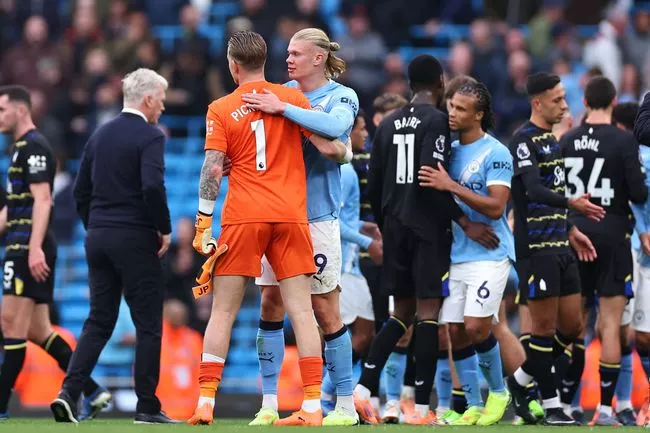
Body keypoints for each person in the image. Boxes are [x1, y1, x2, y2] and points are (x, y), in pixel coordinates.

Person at [187, 30, 345, 427]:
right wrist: (347, 152)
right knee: (302, 312)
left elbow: (212, 168)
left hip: (244, 216)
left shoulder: (221, 108)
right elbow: (331, 147)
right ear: (265, 61)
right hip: (291, 216)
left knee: (223, 311)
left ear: (233, 66)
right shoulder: (293, 100)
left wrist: (203, 223)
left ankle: (205, 402)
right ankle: (313, 406)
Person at [354, 54, 497, 425]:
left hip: (394, 227)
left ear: (409, 83)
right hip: (426, 230)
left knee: (401, 314)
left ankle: (363, 388)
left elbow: (375, 184)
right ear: (440, 82)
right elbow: (433, 181)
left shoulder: (388, 124)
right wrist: (464, 222)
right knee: (429, 314)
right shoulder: (437, 121)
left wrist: (386, 224)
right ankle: (420, 408)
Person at [240, 28, 363, 426]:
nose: (288, 59)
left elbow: (335, 129)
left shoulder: (341, 95)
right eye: (288, 53)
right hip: (277, 215)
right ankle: (269, 403)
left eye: (296, 53)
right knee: (270, 304)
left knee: (325, 310)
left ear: (318, 58)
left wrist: (285, 111)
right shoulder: (282, 93)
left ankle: (344, 406)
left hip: (318, 217)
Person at [51, 69, 174, 424]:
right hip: (135, 237)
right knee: (148, 324)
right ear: (147, 99)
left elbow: (80, 191)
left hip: (98, 237)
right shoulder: (150, 136)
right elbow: (152, 186)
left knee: (98, 321)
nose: (163, 107)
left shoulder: (98, 135)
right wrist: (163, 229)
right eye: (161, 99)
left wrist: (96, 226)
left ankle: (69, 392)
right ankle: (147, 406)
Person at [0, 85, 108, 422]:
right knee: (39, 331)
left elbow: (43, 200)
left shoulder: (34, 147)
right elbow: (14, 206)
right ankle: (93, 390)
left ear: (20, 109)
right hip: (24, 244)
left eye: (2, 109)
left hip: (26, 247)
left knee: (10, 325)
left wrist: (33, 248)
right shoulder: (19, 148)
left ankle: (1, 406)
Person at [506, 72, 604, 426]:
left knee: (573, 326)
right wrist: (572, 205)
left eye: (564, 98)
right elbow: (533, 190)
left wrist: (571, 229)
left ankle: (519, 381)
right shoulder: (522, 141)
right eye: (557, 99)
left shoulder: (551, 140)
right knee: (543, 330)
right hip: (536, 249)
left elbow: (552, 194)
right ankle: (551, 407)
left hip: (560, 244)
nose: (564, 105)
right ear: (538, 103)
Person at [419, 80, 512, 426]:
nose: (452, 113)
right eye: (451, 106)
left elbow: (496, 207)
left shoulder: (496, 152)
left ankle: (499, 392)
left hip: (491, 252)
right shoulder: (450, 151)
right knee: (454, 331)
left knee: (475, 326)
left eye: (460, 108)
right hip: (458, 254)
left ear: (479, 115)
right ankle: (473, 405)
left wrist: (451, 186)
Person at [561, 76, 647, 425]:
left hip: (574, 235)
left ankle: (566, 405)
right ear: (613, 101)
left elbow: (555, 191)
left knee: (574, 325)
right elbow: (638, 193)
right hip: (613, 235)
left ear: (584, 101)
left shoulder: (567, 140)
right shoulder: (624, 141)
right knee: (610, 325)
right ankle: (608, 409)